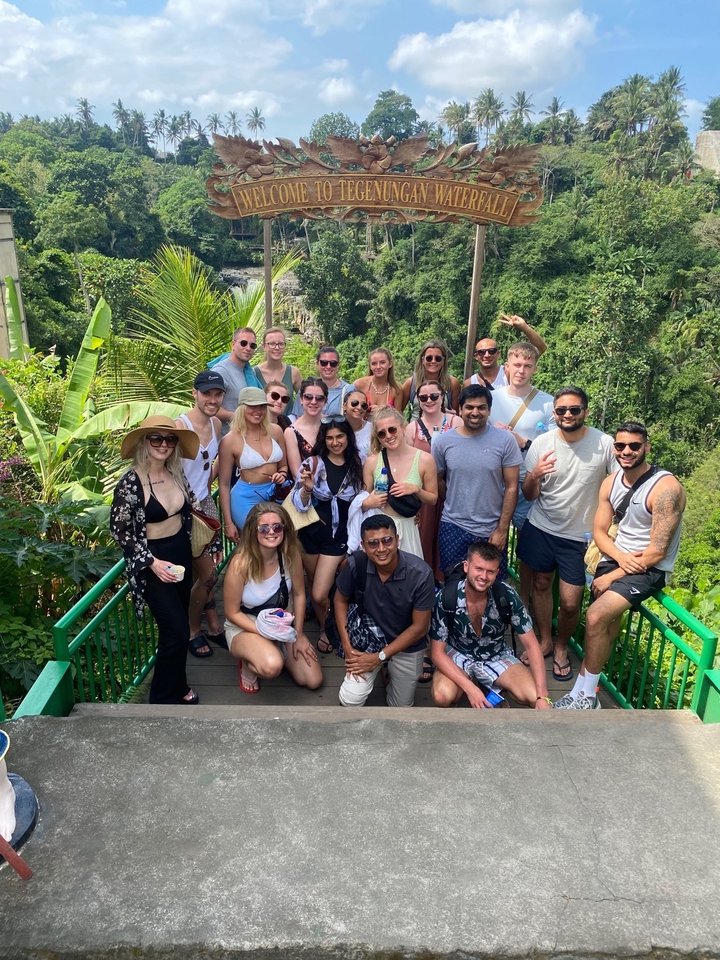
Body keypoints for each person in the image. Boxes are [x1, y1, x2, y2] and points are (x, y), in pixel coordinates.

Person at [554, 421, 686, 709]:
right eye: (620, 445)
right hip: (617, 557)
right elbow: (600, 531)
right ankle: (582, 691)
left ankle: (587, 696)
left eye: (634, 446)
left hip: (648, 569)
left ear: (646, 447)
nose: (626, 451)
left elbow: (657, 552)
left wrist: (615, 571)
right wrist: (617, 559)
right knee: (605, 625)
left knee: (597, 616)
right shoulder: (611, 482)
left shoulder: (665, 488)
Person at [111, 415, 213, 705]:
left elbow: (194, 508)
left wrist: (210, 540)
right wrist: (152, 562)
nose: (164, 444)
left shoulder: (176, 472)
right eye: (156, 438)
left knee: (176, 627)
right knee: (178, 630)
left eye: (170, 439)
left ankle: (178, 684)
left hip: (180, 553)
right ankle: (160, 697)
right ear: (145, 442)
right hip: (152, 563)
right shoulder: (131, 482)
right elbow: (118, 531)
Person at [518, 386, 616, 683]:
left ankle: (562, 647)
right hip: (542, 526)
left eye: (574, 410)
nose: (568, 415)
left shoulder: (605, 444)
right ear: (554, 413)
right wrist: (534, 475)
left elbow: (618, 488)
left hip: (581, 537)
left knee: (572, 601)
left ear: (585, 411)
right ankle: (546, 639)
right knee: (541, 584)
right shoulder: (542, 443)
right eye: (561, 410)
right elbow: (528, 494)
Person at [430, 543, 552, 710]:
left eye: (490, 571)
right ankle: (479, 685)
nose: (483, 576)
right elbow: (437, 652)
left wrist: (542, 696)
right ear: (467, 566)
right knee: (442, 696)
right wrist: (470, 688)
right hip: (459, 653)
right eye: (478, 569)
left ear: (497, 573)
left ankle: (487, 685)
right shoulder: (446, 598)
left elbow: (532, 646)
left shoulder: (507, 596)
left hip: (495, 654)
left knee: (532, 695)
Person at [334, 515, 435, 707]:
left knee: (400, 708)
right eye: (373, 543)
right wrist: (347, 647)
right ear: (363, 546)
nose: (381, 549)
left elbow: (419, 628)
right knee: (350, 699)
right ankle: (382, 669)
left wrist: (380, 656)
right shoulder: (356, 564)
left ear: (397, 539)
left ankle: (384, 667)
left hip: (407, 644)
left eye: (387, 540)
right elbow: (340, 600)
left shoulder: (421, 574)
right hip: (368, 637)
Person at [222, 502, 323, 694]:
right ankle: (249, 663)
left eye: (277, 527)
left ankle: (273, 648)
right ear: (253, 531)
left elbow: (300, 594)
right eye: (264, 528)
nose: (271, 532)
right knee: (271, 666)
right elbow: (231, 612)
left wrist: (299, 634)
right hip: (246, 624)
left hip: (280, 622)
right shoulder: (241, 564)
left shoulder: (290, 554)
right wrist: (265, 633)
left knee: (312, 680)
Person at [488, 342, 556, 610]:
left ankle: (523, 605)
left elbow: (552, 446)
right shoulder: (491, 397)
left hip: (530, 485)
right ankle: (492, 597)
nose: (521, 370)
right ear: (507, 366)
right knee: (493, 540)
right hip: (495, 482)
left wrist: (521, 440)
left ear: (535, 369)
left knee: (529, 551)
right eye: (517, 364)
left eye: (527, 366)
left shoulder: (547, 402)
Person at [291, 418, 365, 652]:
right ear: (324, 439)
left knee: (320, 593)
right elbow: (297, 503)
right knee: (315, 586)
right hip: (310, 532)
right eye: (330, 438)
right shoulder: (313, 463)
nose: (335, 442)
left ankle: (334, 628)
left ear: (347, 438)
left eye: (340, 437)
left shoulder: (358, 462)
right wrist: (307, 489)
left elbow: (365, 497)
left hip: (339, 534)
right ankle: (326, 628)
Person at [432, 384, 522, 576]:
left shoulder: (505, 441)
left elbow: (512, 487)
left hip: (490, 529)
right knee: (453, 583)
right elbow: (437, 480)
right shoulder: (443, 442)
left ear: (489, 410)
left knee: (490, 585)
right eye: (469, 407)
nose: (475, 412)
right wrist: (456, 499)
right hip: (453, 526)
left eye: (481, 407)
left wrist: (502, 529)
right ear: (460, 410)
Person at [175, 370, 226, 658]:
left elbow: (207, 470)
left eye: (217, 394)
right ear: (194, 393)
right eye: (207, 393)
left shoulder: (217, 424)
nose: (212, 399)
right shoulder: (179, 426)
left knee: (206, 572)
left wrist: (208, 504)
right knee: (208, 577)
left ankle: (212, 624)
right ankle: (193, 630)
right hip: (184, 511)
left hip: (206, 506)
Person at [362, 405, 438, 560]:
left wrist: (416, 490)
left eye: (392, 429)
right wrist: (368, 503)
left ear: (403, 428)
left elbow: (433, 498)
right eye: (382, 433)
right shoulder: (372, 462)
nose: (388, 436)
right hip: (379, 530)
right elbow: (361, 501)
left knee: (410, 578)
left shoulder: (425, 459)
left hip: (408, 528)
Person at [404, 379, 462, 577]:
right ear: (418, 400)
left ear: (442, 397)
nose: (429, 400)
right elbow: (407, 464)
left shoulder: (456, 423)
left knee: (447, 540)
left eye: (434, 396)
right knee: (424, 538)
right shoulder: (412, 428)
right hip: (424, 496)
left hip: (451, 493)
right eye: (423, 397)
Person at [218, 387, 289, 540]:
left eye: (262, 406)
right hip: (245, 498)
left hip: (275, 496)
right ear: (242, 407)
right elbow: (223, 484)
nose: (258, 411)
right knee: (256, 542)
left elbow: (283, 466)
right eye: (252, 406)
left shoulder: (276, 431)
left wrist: (281, 475)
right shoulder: (230, 440)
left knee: (280, 541)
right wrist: (228, 524)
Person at [463, 315, 547, 391]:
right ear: (476, 356)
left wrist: (524, 327)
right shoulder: (469, 383)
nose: (487, 355)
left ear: (498, 353)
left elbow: (540, 348)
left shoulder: (508, 373)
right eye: (482, 352)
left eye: (491, 351)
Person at [212, 327, 262, 436]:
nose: (248, 348)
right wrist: (241, 416)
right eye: (243, 343)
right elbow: (210, 407)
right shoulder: (220, 371)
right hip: (226, 440)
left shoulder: (249, 373)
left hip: (247, 438)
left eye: (252, 345)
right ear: (233, 344)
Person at [400, 340, 461, 419]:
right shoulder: (411, 383)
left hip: (443, 429)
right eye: (429, 358)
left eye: (438, 358)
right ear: (423, 360)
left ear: (443, 361)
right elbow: (398, 411)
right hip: (416, 429)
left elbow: (456, 415)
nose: (433, 361)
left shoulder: (452, 383)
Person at [285, 377, 328, 480]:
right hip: (306, 488)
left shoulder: (332, 424)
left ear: (325, 401)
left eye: (319, 398)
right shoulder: (291, 432)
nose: (313, 402)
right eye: (308, 397)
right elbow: (297, 474)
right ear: (301, 399)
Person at [254, 326, 302, 417]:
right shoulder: (254, 373)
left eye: (280, 344)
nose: (277, 348)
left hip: (286, 425)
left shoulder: (294, 373)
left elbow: (304, 401)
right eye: (272, 344)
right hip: (261, 424)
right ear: (264, 347)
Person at [290, 345, 349, 418]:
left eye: (333, 363)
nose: (328, 366)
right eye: (324, 362)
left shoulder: (348, 390)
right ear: (317, 364)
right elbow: (298, 417)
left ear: (338, 365)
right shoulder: (306, 389)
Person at [353, 347, 403, 415]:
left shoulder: (396, 390)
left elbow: (398, 419)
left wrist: (382, 412)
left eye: (382, 362)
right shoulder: (359, 385)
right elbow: (350, 410)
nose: (378, 367)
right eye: (374, 364)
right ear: (370, 366)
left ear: (390, 364)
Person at [343, 388, 372, 461]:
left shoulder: (373, 429)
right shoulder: (336, 428)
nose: (359, 407)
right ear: (344, 406)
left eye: (363, 405)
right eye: (354, 403)